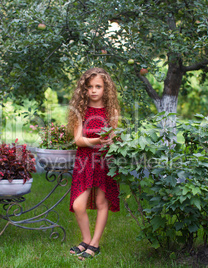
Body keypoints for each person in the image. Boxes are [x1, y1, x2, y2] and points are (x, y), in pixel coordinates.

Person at [67, 67, 120, 260]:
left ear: (106, 88)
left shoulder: (111, 111)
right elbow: (79, 140)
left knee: (100, 202)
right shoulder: (80, 110)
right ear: (85, 89)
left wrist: (109, 140)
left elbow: (112, 138)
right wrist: (98, 140)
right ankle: (87, 239)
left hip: (104, 161)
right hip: (84, 161)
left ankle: (94, 244)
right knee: (79, 204)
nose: (94, 90)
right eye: (90, 87)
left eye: (98, 86)